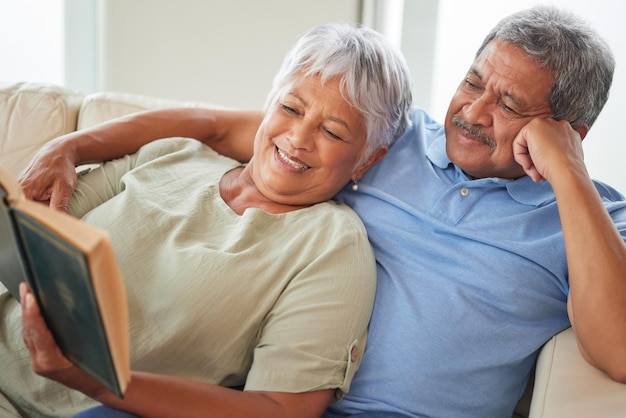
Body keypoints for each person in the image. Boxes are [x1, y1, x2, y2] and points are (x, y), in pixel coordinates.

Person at [14, 5, 626, 418]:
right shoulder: (388, 139)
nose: (473, 111)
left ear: (571, 130)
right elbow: (221, 126)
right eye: (473, 82)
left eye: (509, 103)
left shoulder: (592, 220)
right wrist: (71, 145)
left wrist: (567, 174)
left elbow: (618, 351)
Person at [0, 22, 413, 418]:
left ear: (367, 160)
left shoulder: (333, 248)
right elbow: (31, 230)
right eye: (291, 108)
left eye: (333, 133)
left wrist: (96, 381)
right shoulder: (174, 153)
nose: (298, 139)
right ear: (268, 104)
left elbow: (283, 409)